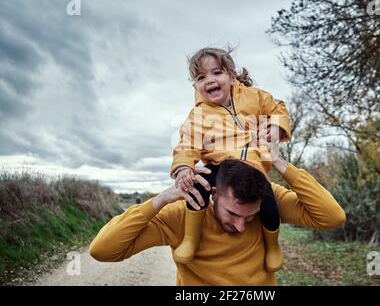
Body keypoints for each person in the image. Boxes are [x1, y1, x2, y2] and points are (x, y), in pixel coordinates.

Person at [89, 144, 346, 286]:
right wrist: (160, 200)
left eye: (250, 216)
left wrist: (280, 163)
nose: (241, 226)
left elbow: (331, 217)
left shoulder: (270, 199)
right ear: (214, 193)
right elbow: (103, 250)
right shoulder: (182, 212)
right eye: (233, 213)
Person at [170, 47, 292, 271]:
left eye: (217, 73)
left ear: (232, 75)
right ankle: (191, 238)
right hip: (219, 166)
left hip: (252, 166)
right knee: (198, 185)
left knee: (267, 201)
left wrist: (276, 127)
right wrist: (184, 168)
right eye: (201, 77)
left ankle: (272, 245)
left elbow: (278, 109)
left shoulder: (255, 97)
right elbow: (186, 145)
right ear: (195, 86)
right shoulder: (198, 115)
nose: (209, 80)